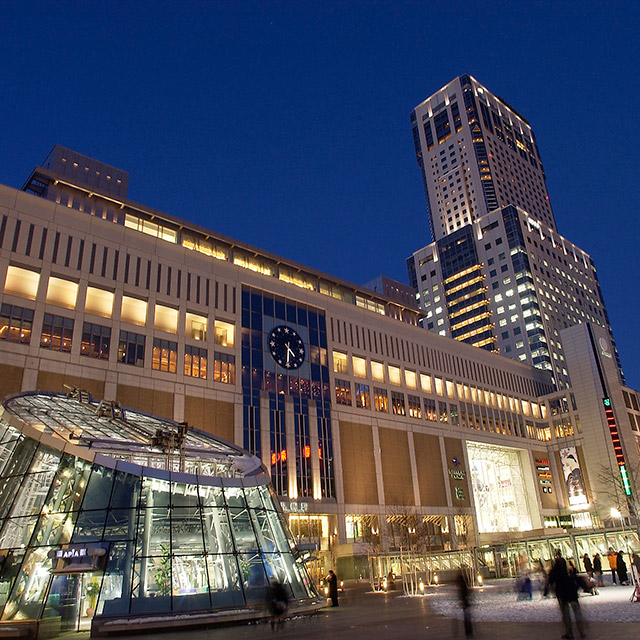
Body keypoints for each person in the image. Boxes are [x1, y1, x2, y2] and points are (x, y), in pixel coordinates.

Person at [547, 550, 585, 639]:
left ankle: (569, 632)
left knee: (566, 613)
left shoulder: (555, 570)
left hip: (562, 593)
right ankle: (581, 631)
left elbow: (550, 580)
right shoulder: (568, 568)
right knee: (577, 612)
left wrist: (546, 590)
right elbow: (576, 577)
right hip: (571, 592)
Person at [456, 569, 473, 638]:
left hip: (464, 602)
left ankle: (468, 631)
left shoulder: (461, 586)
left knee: (467, 617)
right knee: (467, 617)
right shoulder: (464, 586)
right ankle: (469, 631)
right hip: (465, 602)